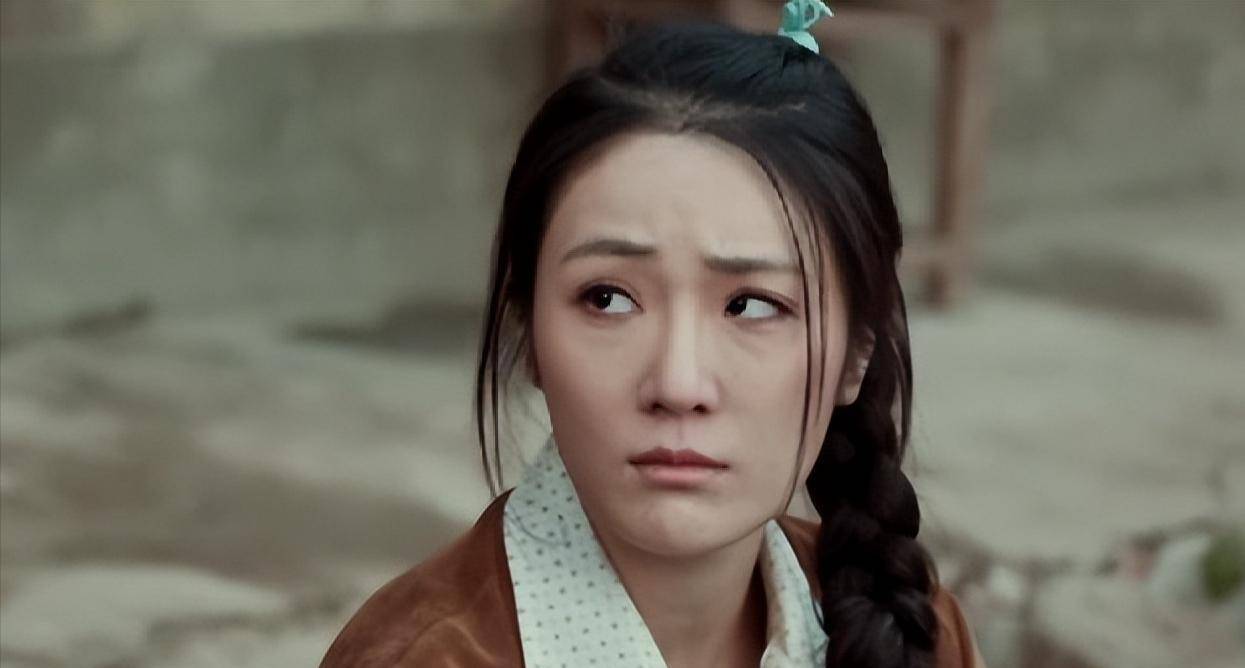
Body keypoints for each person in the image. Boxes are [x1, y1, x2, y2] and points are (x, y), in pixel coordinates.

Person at [321, 3, 984, 667]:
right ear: (528, 330)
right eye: (607, 299)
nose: (677, 383)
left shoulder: (911, 633)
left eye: (752, 306)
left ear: (856, 353)